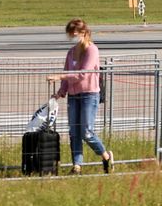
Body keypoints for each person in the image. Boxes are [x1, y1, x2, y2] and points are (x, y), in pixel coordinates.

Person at [48, 19, 113, 174]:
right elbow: (67, 73)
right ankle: (77, 165)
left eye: (75, 34)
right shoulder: (70, 52)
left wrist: (60, 77)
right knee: (74, 132)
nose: (73, 37)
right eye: (70, 35)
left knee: (86, 132)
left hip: (89, 95)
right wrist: (60, 92)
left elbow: (83, 74)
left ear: (83, 33)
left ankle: (105, 155)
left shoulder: (92, 50)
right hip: (73, 96)